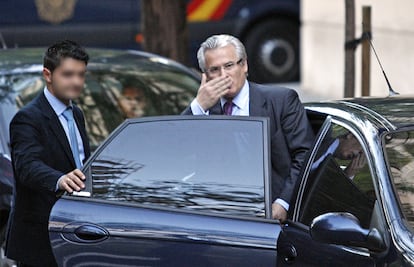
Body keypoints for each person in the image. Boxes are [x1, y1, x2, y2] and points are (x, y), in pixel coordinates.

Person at [182, 34, 314, 221]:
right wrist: (198, 106)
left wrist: (283, 203)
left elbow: (305, 155)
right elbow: (176, 151)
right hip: (218, 214)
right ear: (205, 76)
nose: (223, 75)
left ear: (244, 65)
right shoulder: (203, 111)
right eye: (214, 69)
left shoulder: (282, 100)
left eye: (229, 66)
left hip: (272, 214)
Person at [5, 40, 91, 267]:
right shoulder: (28, 118)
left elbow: (80, 162)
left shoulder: (76, 114)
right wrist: (60, 179)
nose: (76, 82)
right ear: (48, 74)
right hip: (40, 238)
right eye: (68, 74)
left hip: (74, 230)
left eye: (81, 75)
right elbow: (27, 166)